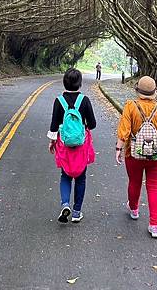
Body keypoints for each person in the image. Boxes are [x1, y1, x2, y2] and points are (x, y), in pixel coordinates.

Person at [115, 76, 157, 238]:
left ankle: (134, 209)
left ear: (138, 91)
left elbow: (124, 130)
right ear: (154, 93)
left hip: (134, 152)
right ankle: (155, 225)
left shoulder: (130, 106)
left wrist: (118, 148)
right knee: (153, 187)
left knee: (134, 181)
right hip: (156, 153)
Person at [48, 68, 96, 223]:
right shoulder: (85, 100)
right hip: (81, 146)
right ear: (80, 83)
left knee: (65, 175)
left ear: (64, 82)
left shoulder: (59, 101)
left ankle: (65, 204)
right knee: (81, 177)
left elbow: (54, 125)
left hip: (64, 144)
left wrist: (52, 141)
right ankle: (76, 212)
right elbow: (93, 124)